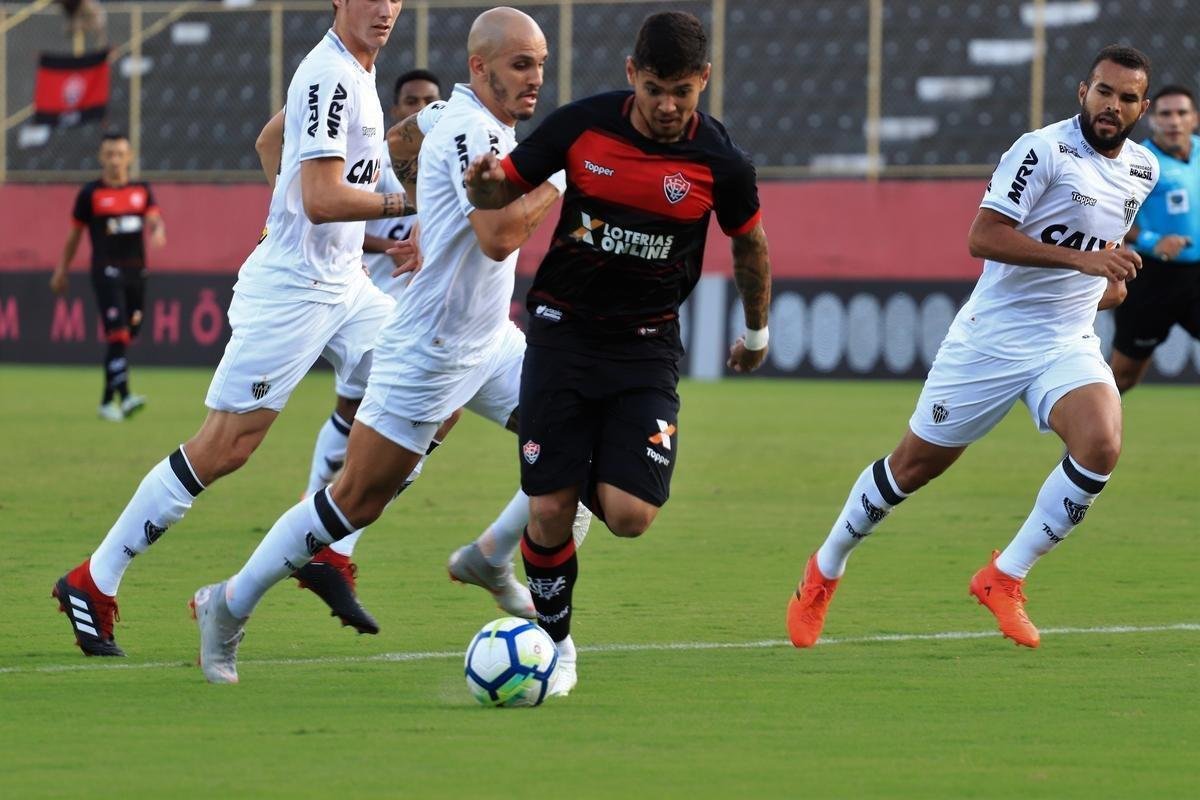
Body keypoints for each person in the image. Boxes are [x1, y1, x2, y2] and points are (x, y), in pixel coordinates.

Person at [191, 6, 572, 686]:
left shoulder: (443, 117)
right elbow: (500, 236)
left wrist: (424, 205)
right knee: (350, 503)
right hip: (427, 351)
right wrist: (558, 178)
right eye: (521, 65)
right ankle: (228, 601)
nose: (535, 78)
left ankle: (496, 561)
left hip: (491, 344)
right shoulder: (469, 134)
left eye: (541, 64)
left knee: (580, 455)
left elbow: (400, 141)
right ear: (480, 68)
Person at [52, 0, 408, 657]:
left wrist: (288, 212)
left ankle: (326, 545)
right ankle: (93, 580)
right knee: (225, 448)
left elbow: (269, 141)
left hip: (347, 285)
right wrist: (401, 204)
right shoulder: (330, 75)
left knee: (420, 390)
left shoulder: (358, 72)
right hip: (294, 292)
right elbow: (323, 198)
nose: (384, 7)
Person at [786, 45, 1156, 650]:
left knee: (1102, 444)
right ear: (1082, 91)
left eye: (1127, 98)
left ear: (1141, 107)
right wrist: (1085, 261)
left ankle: (1004, 576)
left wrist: (1102, 285)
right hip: (991, 340)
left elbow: (1100, 262)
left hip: (1065, 343)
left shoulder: (1143, 170)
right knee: (911, 468)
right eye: (1104, 92)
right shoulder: (1040, 151)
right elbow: (983, 236)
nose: (1113, 106)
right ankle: (825, 568)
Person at [462, 10, 772, 689]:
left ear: (704, 82)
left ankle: (579, 465)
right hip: (562, 331)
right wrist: (483, 184)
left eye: (682, 92)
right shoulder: (582, 128)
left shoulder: (720, 162)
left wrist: (755, 334)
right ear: (632, 74)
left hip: (645, 346)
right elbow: (503, 187)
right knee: (547, 510)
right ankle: (556, 644)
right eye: (655, 87)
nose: (667, 105)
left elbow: (749, 245)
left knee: (630, 516)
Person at [255, 69, 449, 634]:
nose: (419, 110)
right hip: (370, 297)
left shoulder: (448, 157)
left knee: (404, 419)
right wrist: (386, 242)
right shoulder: (374, 154)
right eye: (410, 102)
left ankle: (325, 525)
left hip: (420, 314)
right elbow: (330, 203)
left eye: (427, 102)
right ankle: (321, 515)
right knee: (356, 415)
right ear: (396, 109)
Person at [51, 130, 166, 421]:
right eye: (109, 154)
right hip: (105, 270)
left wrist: (158, 228)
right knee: (117, 333)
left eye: (120, 154)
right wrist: (62, 270)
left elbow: (153, 216)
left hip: (136, 273)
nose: (115, 160)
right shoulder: (91, 194)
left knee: (127, 335)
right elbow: (74, 236)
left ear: (129, 157)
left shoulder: (141, 190)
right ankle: (125, 397)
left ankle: (105, 402)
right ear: (101, 157)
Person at [1111, 84, 1200, 393]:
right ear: (1152, 120)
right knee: (1123, 377)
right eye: (1165, 114)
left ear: (1195, 119)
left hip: (1196, 275)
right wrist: (1152, 241)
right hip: (1153, 278)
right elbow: (1112, 217)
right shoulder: (1138, 163)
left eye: (1181, 113)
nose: (1174, 121)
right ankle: (1082, 441)